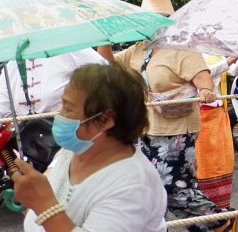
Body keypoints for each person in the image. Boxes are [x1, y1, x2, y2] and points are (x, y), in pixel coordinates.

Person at [113, 0, 230, 232]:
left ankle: (219, 220)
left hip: (176, 130)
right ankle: (204, 226)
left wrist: (206, 90)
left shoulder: (181, 48)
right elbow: (106, 63)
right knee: (152, 186)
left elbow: (202, 75)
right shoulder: (139, 49)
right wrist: (106, 37)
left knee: (172, 187)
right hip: (145, 129)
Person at [15, 61, 167, 232]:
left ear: (106, 120)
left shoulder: (132, 185)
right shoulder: (73, 152)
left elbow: (46, 203)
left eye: (67, 107)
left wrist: (43, 205)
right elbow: (49, 186)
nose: (59, 114)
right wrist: (31, 196)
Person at [194, 55, 238, 209]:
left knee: (223, 159)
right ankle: (204, 204)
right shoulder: (195, 56)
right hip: (201, 113)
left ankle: (222, 204)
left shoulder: (216, 54)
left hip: (219, 111)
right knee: (203, 161)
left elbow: (233, 72)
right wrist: (229, 60)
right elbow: (204, 75)